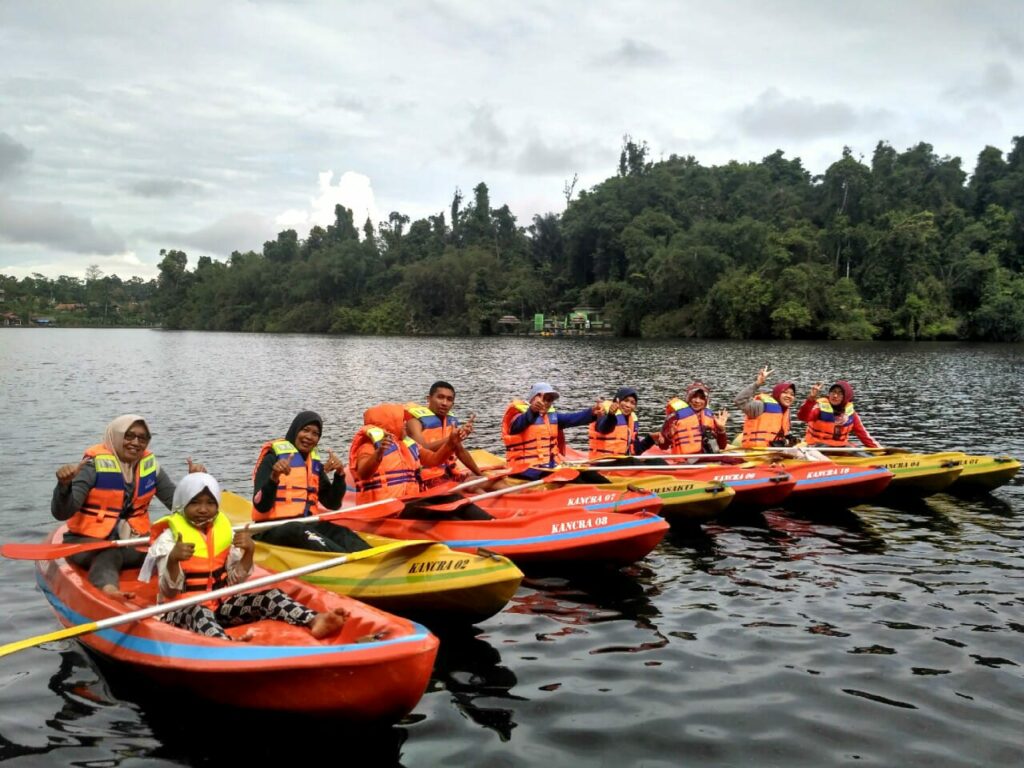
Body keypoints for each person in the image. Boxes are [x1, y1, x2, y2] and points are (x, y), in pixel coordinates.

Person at [140, 473, 348, 642]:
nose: (203, 509)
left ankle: (314, 619)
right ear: (182, 504)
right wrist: (174, 560)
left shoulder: (223, 533)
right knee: (199, 612)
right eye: (195, 503)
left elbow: (234, 581)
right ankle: (226, 645)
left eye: (210, 503)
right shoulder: (169, 540)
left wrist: (249, 552)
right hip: (179, 612)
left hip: (219, 606)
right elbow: (169, 590)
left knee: (270, 595)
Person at [51, 414, 206, 598]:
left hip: (132, 541)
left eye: (142, 438)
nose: (136, 443)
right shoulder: (92, 467)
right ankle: (108, 590)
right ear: (116, 436)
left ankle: (188, 589)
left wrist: (193, 482)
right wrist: (64, 486)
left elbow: (178, 505)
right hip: (87, 542)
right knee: (109, 553)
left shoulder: (150, 467)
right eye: (129, 436)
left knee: (165, 548)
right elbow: (62, 513)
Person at [252, 410, 367, 552]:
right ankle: (346, 562)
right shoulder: (272, 458)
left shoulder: (313, 464)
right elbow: (260, 505)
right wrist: (274, 478)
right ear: (295, 430)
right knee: (297, 529)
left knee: (340, 532)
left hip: (305, 524)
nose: (309, 437)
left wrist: (339, 475)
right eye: (305, 430)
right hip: (270, 529)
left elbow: (333, 503)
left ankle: (373, 557)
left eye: (315, 434)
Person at [350, 403, 490, 519]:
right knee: (444, 514)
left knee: (453, 498)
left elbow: (433, 459)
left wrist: (451, 443)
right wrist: (378, 454)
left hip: (408, 501)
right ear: (389, 424)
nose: (405, 424)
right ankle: (472, 531)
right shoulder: (367, 447)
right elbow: (363, 473)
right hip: (385, 509)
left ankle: (490, 523)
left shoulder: (407, 444)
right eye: (401, 421)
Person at [502, 382, 605, 481]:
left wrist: (592, 413)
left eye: (550, 400)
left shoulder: (552, 416)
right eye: (544, 399)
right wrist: (533, 411)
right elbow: (521, 423)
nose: (547, 403)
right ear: (534, 398)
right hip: (525, 470)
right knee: (575, 478)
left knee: (590, 475)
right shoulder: (517, 416)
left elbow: (573, 418)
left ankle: (611, 494)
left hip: (548, 467)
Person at [405, 381, 483, 488]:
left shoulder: (451, 421)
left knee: (491, 482)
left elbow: (459, 450)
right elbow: (421, 450)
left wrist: (480, 474)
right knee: (475, 489)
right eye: (440, 397)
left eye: (449, 399)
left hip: (448, 473)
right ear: (429, 399)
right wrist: (452, 439)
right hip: (427, 479)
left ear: (453, 404)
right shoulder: (414, 422)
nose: (444, 403)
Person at [588, 386, 666, 461]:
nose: (628, 405)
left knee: (657, 461)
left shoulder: (631, 420)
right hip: (603, 463)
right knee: (635, 463)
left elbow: (635, 451)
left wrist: (651, 439)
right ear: (617, 401)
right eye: (625, 400)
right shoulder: (603, 413)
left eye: (632, 403)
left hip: (620, 463)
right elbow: (604, 428)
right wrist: (611, 415)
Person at [797, 380, 879, 448]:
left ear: (846, 397)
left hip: (840, 447)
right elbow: (803, 417)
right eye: (833, 392)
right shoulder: (819, 408)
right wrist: (811, 399)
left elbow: (864, 435)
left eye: (840, 393)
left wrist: (880, 450)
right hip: (815, 446)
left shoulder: (851, 414)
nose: (835, 395)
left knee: (858, 450)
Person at [733, 366, 799, 449]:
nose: (789, 396)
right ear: (777, 394)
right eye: (785, 393)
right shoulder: (761, 406)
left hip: (775, 453)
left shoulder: (786, 412)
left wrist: (788, 439)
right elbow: (739, 400)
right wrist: (757, 383)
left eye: (792, 394)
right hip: (755, 453)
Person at [662, 383, 730, 455]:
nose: (697, 401)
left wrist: (721, 430)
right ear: (688, 398)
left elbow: (722, 446)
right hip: (684, 461)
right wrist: (669, 435)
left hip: (707, 459)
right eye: (694, 397)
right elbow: (663, 446)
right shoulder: (674, 417)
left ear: (706, 401)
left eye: (701, 398)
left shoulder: (711, 418)